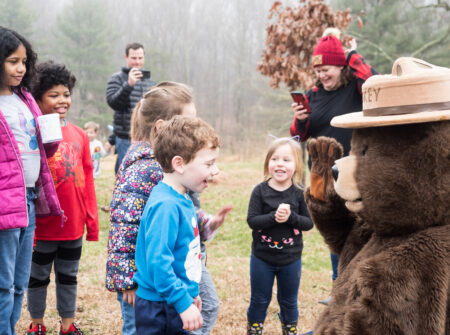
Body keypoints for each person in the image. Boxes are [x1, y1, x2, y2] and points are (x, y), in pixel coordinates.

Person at [105, 82, 231, 335]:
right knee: (136, 328)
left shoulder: (174, 176)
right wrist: (127, 279)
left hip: (175, 273)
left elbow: (180, 218)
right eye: (188, 121)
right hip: (146, 284)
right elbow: (124, 227)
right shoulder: (144, 171)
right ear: (163, 127)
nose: (195, 127)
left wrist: (205, 224)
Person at [289, 33, 377, 304]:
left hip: (353, 170)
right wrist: (300, 119)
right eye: (317, 71)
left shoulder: (356, 89)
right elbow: (298, 136)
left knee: (362, 225)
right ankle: (338, 285)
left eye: (326, 69)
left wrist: (352, 55)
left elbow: (375, 80)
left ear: (341, 66)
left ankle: (362, 283)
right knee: (333, 227)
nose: (322, 76)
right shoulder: (311, 96)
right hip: (319, 173)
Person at [26, 61, 99, 335]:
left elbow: (87, 181)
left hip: (72, 226)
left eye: (66, 94)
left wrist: (91, 223)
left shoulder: (80, 134)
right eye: (53, 95)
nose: (62, 100)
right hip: (41, 227)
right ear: (38, 97)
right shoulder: (30, 133)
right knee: (37, 278)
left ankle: (67, 325)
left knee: (68, 276)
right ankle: (36, 323)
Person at [0, 26, 62, 335]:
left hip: (28, 197)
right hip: (4, 202)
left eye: (24, 61)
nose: (20, 68)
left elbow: (39, 148)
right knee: (1, 284)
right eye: (13, 60)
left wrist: (50, 135)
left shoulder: (25, 98)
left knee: (18, 282)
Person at [133, 115, 220, 334]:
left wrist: (191, 291)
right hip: (161, 307)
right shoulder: (166, 206)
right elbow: (158, 263)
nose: (215, 171)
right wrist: (182, 302)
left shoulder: (181, 197)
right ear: (179, 164)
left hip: (175, 297)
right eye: (209, 164)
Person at [246, 137, 313, 335]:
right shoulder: (260, 191)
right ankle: (254, 329)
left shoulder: (300, 193)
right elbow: (252, 220)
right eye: (275, 159)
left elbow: (308, 223)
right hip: (262, 258)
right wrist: (274, 217)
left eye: (286, 160)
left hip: (291, 259)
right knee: (259, 299)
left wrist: (291, 217)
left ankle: (289, 330)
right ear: (268, 162)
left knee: (289, 301)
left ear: (297, 165)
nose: (280, 164)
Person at [106, 42, 156, 174]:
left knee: (145, 174)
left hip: (146, 138)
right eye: (134, 58)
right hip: (124, 138)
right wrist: (128, 85)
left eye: (140, 58)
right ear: (126, 57)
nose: (137, 62)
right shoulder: (116, 78)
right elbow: (113, 103)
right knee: (125, 174)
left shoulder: (150, 82)